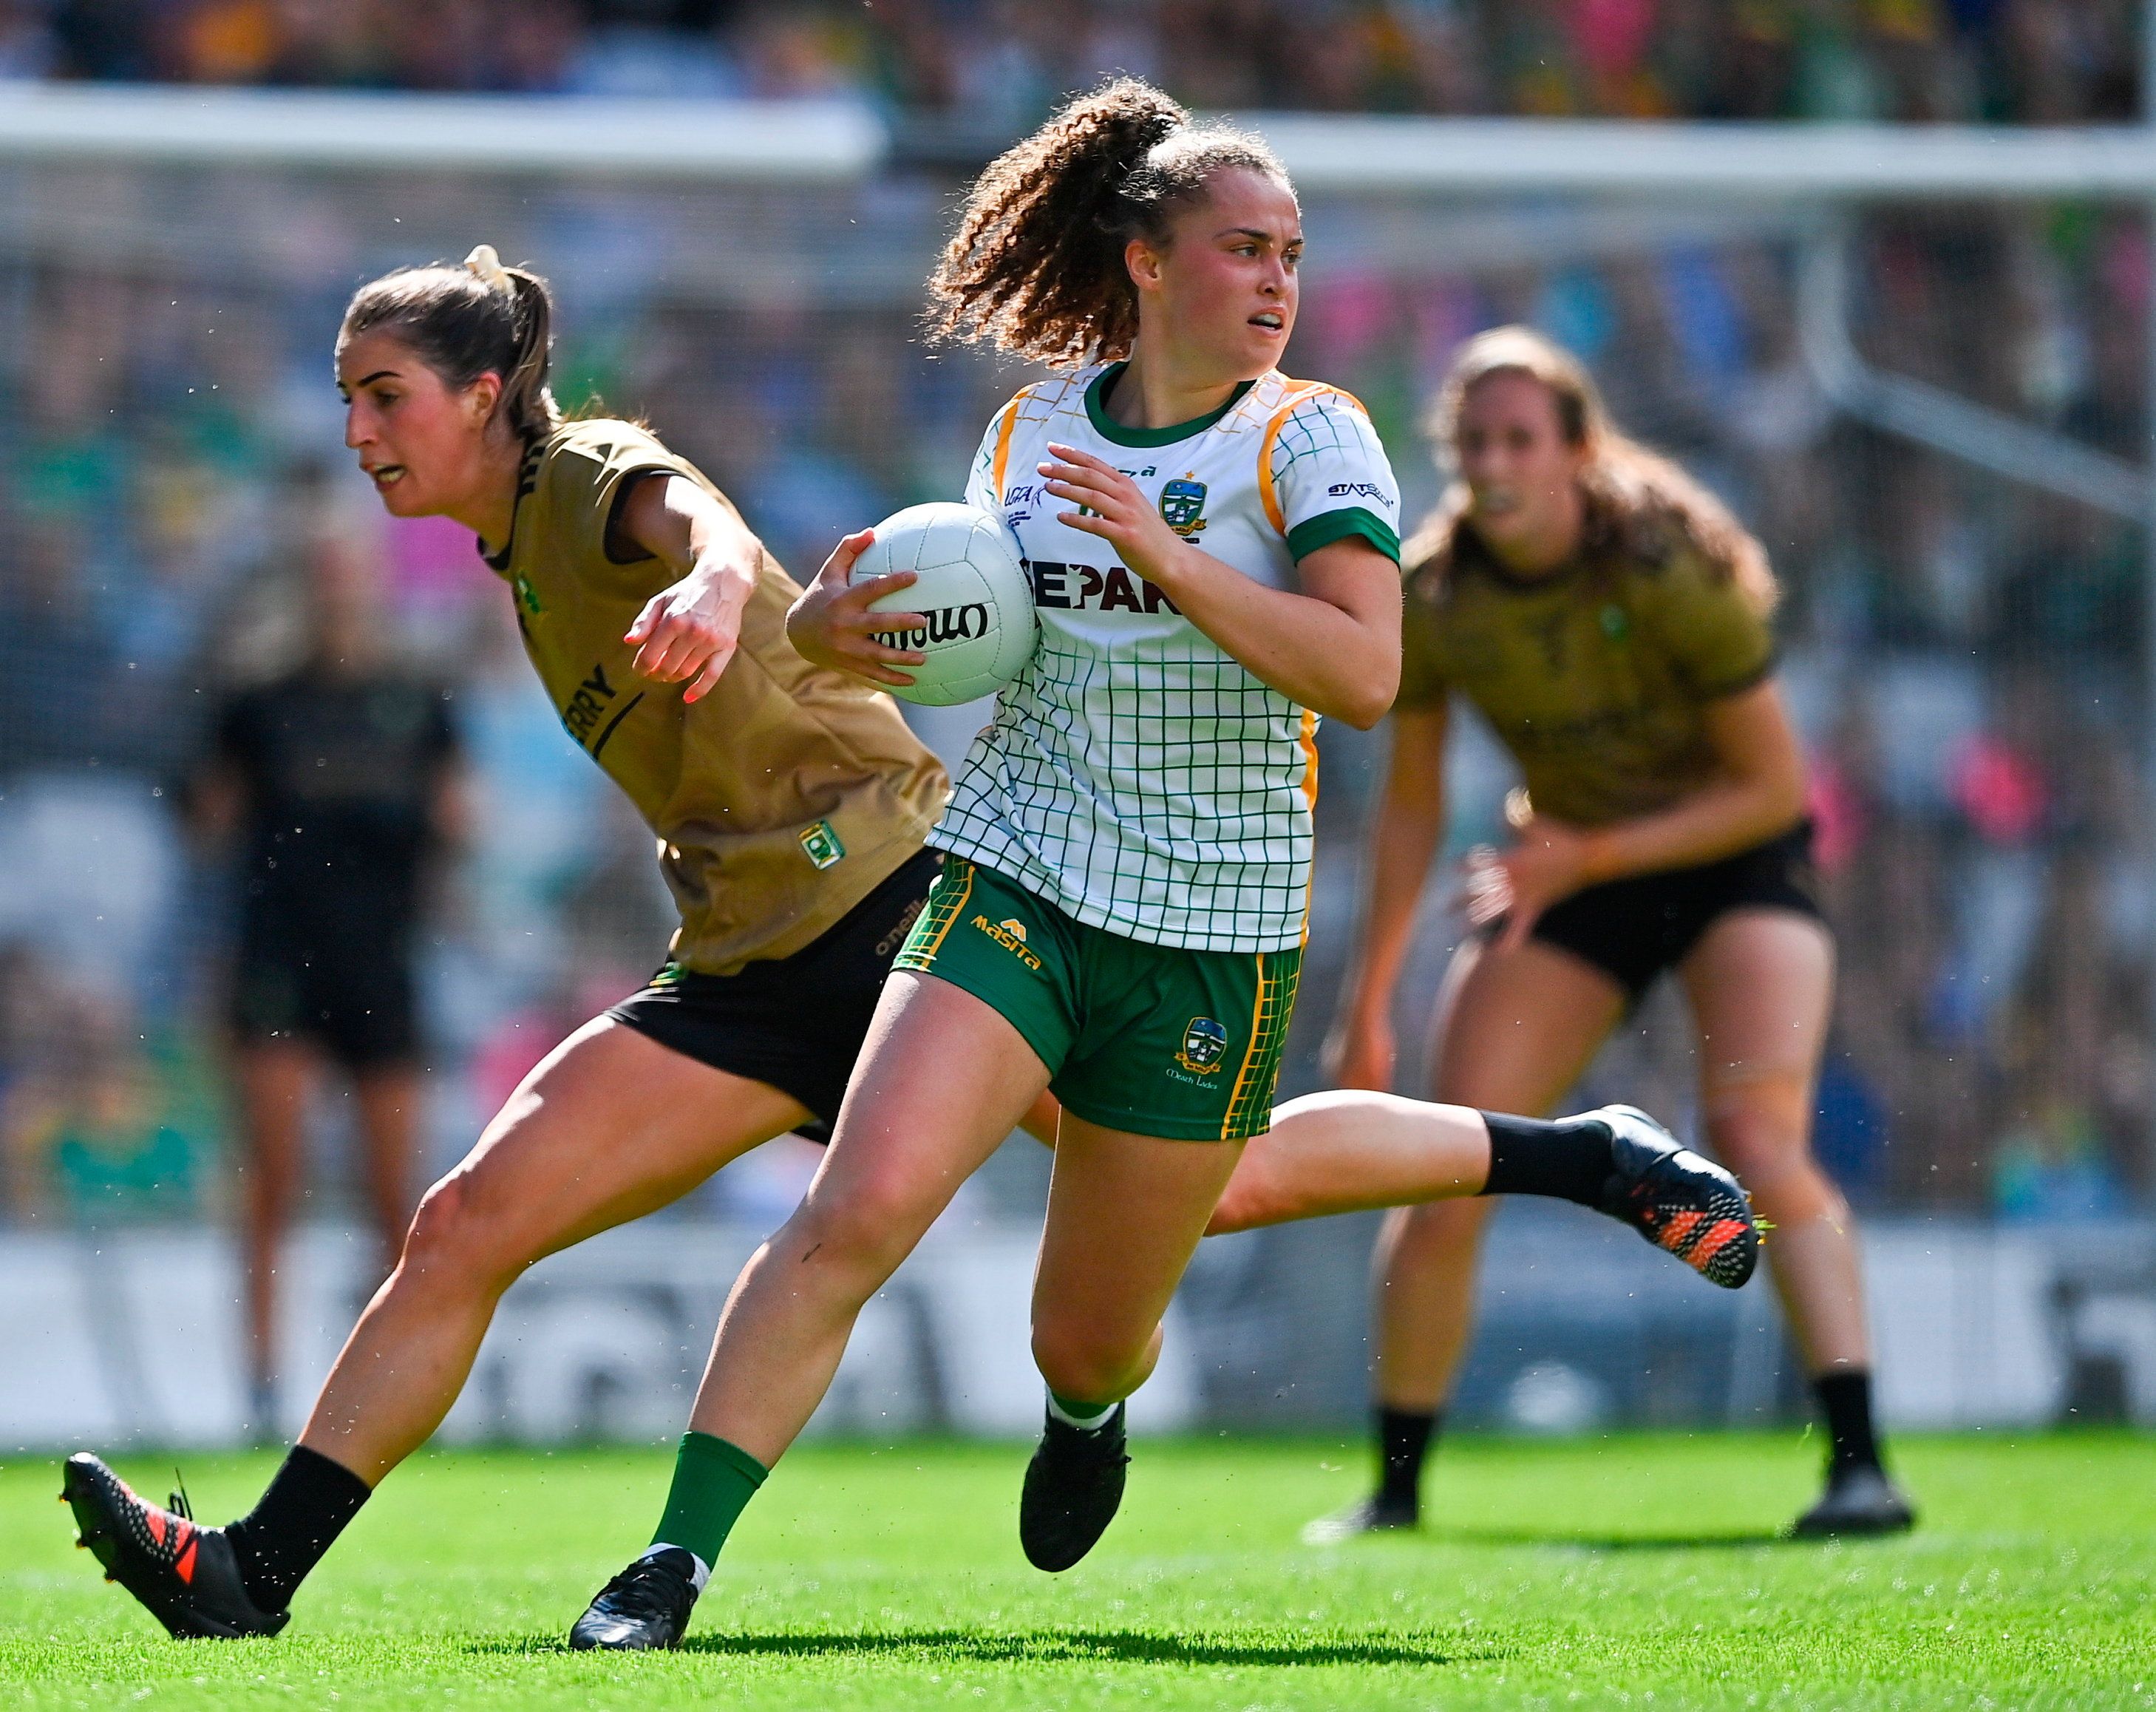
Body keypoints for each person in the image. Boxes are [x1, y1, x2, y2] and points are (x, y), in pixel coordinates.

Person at [565, 82, 1758, 1654]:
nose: (1274, 280)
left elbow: (1364, 672)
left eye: (1292, 254)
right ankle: (670, 1567)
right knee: (853, 1211)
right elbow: (956, 643)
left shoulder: (1309, 434)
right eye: (1241, 249)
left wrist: (1171, 554)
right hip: (1015, 877)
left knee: (1093, 1332)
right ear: (1145, 260)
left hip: (1210, 929)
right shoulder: (1032, 425)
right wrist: (830, 637)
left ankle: (1086, 1410)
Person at [61, 243, 1011, 1640]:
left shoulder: (583, 473)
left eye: (385, 396)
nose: (355, 432)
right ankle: (248, 1574)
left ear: (486, 392)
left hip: (902, 915)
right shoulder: (519, 564)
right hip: (746, 965)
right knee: (458, 1226)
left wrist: (712, 586)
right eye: (345, 400)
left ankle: (1462, 1152)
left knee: (1212, 1187)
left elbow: (693, 517)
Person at [1299, 327, 1914, 1543]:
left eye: (1520, 438)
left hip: (1731, 864)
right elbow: (1413, 803)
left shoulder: (1666, 564)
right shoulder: (1436, 593)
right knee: (1447, 1161)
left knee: (1754, 1137)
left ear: (1578, 451)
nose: (1492, 463)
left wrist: (1584, 855)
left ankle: (1858, 1465)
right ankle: (1394, 1492)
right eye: (1472, 441)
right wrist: (1368, 1002)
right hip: (1566, 871)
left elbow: (1773, 792)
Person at [199, 525, 462, 1436]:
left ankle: (387, 1394)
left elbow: (456, 824)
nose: (341, 596)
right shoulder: (259, 702)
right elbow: (210, 824)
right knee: (276, 1176)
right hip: (279, 959)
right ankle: (263, 1386)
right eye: (326, 580)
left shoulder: (418, 701)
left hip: (379, 961)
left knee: (394, 1194)